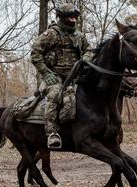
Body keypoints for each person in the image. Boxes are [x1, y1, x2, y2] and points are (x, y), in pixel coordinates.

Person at [31, 3, 94, 149]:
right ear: (61, 17)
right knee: (55, 95)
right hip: (54, 76)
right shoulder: (51, 34)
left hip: (75, 75)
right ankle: (52, 133)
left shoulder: (79, 36)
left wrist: (86, 58)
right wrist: (46, 73)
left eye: (75, 17)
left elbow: (89, 50)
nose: (74, 19)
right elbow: (35, 53)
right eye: (70, 17)